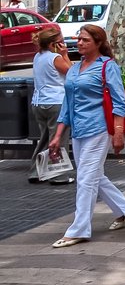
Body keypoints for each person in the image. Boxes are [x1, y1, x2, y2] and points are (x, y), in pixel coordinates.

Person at [47, 25, 125, 248]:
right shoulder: (75, 69)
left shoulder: (107, 66)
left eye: (85, 40)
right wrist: (58, 136)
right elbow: (67, 104)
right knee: (94, 175)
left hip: (98, 129)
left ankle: (79, 229)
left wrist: (117, 133)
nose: (80, 43)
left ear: (98, 43)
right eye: (79, 39)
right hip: (78, 130)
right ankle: (124, 207)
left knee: (86, 178)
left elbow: (119, 102)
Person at [29, 25, 72, 185]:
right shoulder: (55, 58)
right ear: (53, 43)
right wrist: (65, 54)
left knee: (45, 138)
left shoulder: (37, 57)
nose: (63, 43)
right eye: (61, 41)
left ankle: (35, 172)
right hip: (56, 103)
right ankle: (58, 175)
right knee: (58, 139)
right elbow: (72, 73)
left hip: (39, 102)